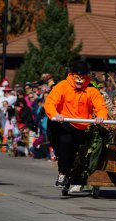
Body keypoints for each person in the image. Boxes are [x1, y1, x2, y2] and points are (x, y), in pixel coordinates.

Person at [44, 61, 108, 193]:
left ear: (86, 77)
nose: (79, 81)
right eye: (77, 77)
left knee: (72, 150)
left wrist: (101, 116)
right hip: (63, 122)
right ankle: (62, 172)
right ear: (72, 75)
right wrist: (55, 114)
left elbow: (101, 106)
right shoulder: (62, 86)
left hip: (81, 127)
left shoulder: (91, 90)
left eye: (82, 78)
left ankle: (67, 174)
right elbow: (50, 102)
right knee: (64, 140)